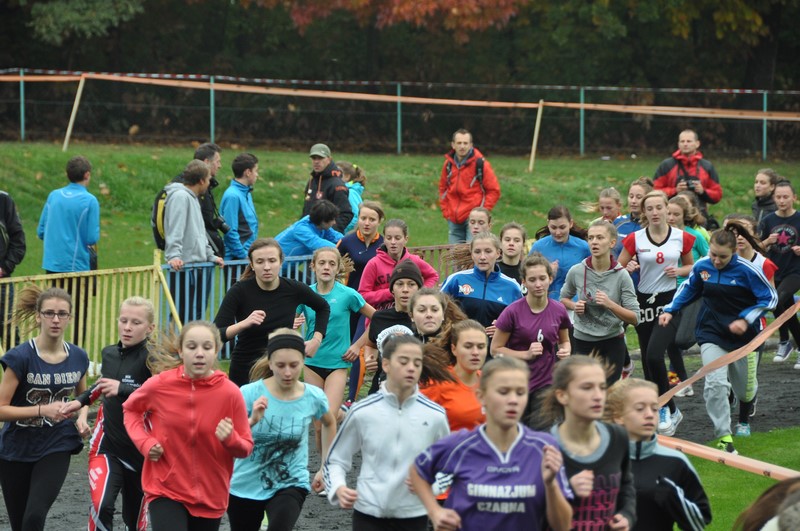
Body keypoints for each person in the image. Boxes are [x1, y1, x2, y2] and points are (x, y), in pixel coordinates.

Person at [410, 356, 574, 531]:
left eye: (520, 392)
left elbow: (563, 526)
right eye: (503, 392)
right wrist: (435, 512)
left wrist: (551, 485)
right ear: (481, 397)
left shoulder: (543, 447)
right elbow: (417, 471)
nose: (513, 400)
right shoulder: (460, 445)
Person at [123, 321, 254, 531]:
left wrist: (231, 439)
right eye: (192, 347)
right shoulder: (160, 385)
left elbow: (245, 448)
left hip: (211, 494)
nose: (199, 354)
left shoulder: (230, 393)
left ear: (216, 351)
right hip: (165, 488)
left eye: (207, 347)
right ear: (181, 351)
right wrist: (144, 442)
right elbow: (130, 410)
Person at [660, 224, 777, 453]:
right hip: (711, 332)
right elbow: (689, 289)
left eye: (722, 257)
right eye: (713, 254)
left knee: (744, 391)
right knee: (714, 384)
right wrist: (670, 310)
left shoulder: (747, 270)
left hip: (744, 337)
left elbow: (770, 298)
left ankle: (742, 399)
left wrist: (745, 319)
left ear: (733, 252)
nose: (716, 260)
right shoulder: (702, 266)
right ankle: (724, 437)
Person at [323, 335, 450, 531]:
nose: (411, 368)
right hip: (368, 513)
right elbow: (336, 459)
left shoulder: (435, 415)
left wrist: (431, 487)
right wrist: (338, 487)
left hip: (414, 515)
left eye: (417, 363)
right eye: (403, 361)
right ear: (386, 365)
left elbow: (448, 465)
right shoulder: (362, 411)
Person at [59, 296, 155, 531]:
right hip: (106, 445)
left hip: (142, 452)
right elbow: (102, 384)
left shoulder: (154, 358)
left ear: (150, 328)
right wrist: (79, 401)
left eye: (136, 322)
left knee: (134, 521)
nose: (127, 327)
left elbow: (163, 398)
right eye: (123, 320)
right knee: (101, 505)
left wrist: (123, 389)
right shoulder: (109, 353)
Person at [227, 328, 337, 531]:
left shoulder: (313, 396)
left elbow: (329, 423)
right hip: (245, 483)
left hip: (291, 482)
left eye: (294, 365)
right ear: (270, 363)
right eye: (280, 365)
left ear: (303, 362)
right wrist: (252, 420)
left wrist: (325, 466)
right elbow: (229, 438)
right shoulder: (248, 394)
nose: (287, 372)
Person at [0, 285, 89, 531]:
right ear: (38, 316)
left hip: (57, 442)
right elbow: (1, 409)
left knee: (34, 517)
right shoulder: (20, 357)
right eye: (49, 313)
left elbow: (84, 397)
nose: (56, 319)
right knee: (20, 524)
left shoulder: (79, 357)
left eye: (62, 314)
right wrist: (42, 410)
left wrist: (82, 418)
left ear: (70, 318)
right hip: (16, 447)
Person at [619, 190, 694, 436]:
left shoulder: (681, 237)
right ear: (644, 212)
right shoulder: (635, 238)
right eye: (649, 208)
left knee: (653, 355)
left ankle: (663, 407)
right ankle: (669, 409)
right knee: (649, 364)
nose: (654, 212)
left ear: (666, 208)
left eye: (658, 207)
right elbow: (618, 268)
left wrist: (680, 271)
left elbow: (691, 266)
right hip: (643, 303)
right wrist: (629, 267)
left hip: (669, 303)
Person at [214, 238, 330, 387]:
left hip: (282, 368)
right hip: (246, 369)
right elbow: (216, 333)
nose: (267, 267)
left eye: (272, 261)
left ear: (281, 262)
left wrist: (316, 340)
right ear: (252, 264)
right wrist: (244, 324)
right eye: (260, 262)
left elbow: (323, 307)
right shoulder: (239, 291)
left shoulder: (293, 288)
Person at [540, 356, 637, 531]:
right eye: (587, 387)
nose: (598, 396)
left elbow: (626, 486)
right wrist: (566, 489)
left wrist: (627, 515)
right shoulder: (543, 447)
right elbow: (528, 511)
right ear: (562, 395)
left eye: (602, 387)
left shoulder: (618, 437)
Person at [604, 378, 712, 531]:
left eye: (654, 408)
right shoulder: (597, 460)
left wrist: (674, 499)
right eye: (640, 408)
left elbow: (700, 521)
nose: (649, 415)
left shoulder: (675, 461)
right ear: (618, 416)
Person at [296, 248, 374, 451]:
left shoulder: (348, 295)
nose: (326, 267)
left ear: (338, 268)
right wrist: (293, 325)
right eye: (322, 263)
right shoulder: (304, 294)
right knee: (318, 424)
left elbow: (376, 319)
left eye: (331, 264)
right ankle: (344, 416)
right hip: (312, 363)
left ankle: (328, 464)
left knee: (327, 417)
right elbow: (288, 324)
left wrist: (357, 345)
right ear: (313, 266)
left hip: (338, 364)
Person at [491, 254, 571, 429]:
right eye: (532, 280)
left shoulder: (558, 310)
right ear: (524, 282)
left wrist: (565, 350)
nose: (538, 284)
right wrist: (525, 354)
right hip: (516, 383)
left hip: (546, 382)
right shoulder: (512, 312)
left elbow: (564, 340)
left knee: (541, 433)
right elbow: (495, 349)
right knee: (516, 432)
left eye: (542, 278)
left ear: (550, 279)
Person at [560, 220, 639, 384]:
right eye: (591, 238)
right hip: (583, 340)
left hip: (612, 340)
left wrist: (610, 304)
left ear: (612, 243)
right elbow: (564, 298)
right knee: (584, 386)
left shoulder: (621, 276)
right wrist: (575, 306)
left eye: (600, 238)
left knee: (608, 390)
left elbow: (635, 318)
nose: (594, 242)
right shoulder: (577, 271)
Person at [37, 155, 100, 343]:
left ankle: (49, 348)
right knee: (77, 312)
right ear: (87, 174)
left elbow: (41, 231)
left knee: (52, 311)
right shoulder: (89, 200)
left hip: (52, 263)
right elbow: (91, 237)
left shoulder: (54, 195)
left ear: (67, 174)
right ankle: (77, 350)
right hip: (76, 265)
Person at [337, 201, 385, 406]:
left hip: (369, 305)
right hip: (347, 303)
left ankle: (351, 399)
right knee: (343, 347)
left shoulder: (384, 245)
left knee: (359, 347)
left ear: (379, 221)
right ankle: (335, 389)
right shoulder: (346, 242)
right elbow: (332, 264)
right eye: (363, 218)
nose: (366, 223)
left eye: (372, 219)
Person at [164, 160, 225, 323]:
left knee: (194, 316)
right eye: (209, 179)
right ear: (201, 180)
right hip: (183, 267)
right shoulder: (180, 197)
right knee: (181, 315)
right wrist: (174, 256)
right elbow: (175, 229)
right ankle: (174, 340)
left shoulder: (193, 198)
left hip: (196, 266)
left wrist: (210, 256)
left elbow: (199, 233)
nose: (210, 183)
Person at [441, 231, 523, 338]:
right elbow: (437, 310)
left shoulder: (512, 287)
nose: (482, 257)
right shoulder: (456, 280)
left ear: (498, 253)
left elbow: (522, 322)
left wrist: (504, 329)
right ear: (471, 254)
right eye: (477, 252)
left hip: (495, 347)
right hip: (460, 345)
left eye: (488, 251)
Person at [363, 260, 423, 394]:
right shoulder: (379, 317)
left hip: (415, 392)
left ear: (419, 289)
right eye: (400, 284)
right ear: (392, 289)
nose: (405, 289)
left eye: (411, 284)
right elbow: (371, 345)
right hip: (381, 390)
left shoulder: (424, 320)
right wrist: (369, 358)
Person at [419, 318, 487, 432]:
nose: (475, 352)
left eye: (481, 347)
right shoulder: (437, 384)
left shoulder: (491, 382)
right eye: (468, 346)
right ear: (454, 349)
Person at [760, 180, 800, 367]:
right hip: (774, 271)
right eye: (778, 197)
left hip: (795, 272)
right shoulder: (768, 221)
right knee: (785, 307)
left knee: (778, 298)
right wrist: (767, 242)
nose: (782, 201)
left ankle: (784, 341)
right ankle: (794, 344)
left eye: (785, 197)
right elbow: (757, 247)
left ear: (794, 198)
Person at [358, 218, 439, 309]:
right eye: (389, 238)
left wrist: (419, 293)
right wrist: (392, 292)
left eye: (397, 238)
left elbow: (433, 276)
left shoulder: (413, 261)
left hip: (409, 312)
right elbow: (363, 295)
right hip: (381, 313)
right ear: (384, 239)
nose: (393, 242)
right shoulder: (374, 264)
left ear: (406, 239)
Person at [438, 128, 501, 244]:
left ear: (471, 145)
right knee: (455, 253)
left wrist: (482, 213)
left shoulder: (481, 164)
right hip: (453, 219)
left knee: (473, 251)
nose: (462, 146)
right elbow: (443, 188)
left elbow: (494, 190)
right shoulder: (448, 165)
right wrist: (446, 211)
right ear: (453, 145)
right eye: (459, 143)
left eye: (465, 143)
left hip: (474, 219)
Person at [653, 129, 722, 223]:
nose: (685, 144)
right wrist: (675, 190)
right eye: (682, 141)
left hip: (700, 216)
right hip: (670, 216)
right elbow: (655, 191)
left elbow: (717, 194)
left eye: (689, 141)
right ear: (678, 144)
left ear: (697, 144)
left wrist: (703, 191)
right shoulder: (667, 165)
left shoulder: (707, 166)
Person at [530, 206, 590, 301]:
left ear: (570, 224)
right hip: (546, 302)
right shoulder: (538, 247)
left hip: (575, 303)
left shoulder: (583, 247)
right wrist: (547, 272)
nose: (558, 232)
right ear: (548, 224)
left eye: (562, 227)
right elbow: (527, 276)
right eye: (553, 227)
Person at [302, 143, 353, 233]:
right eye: (314, 158)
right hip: (308, 233)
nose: (316, 161)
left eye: (320, 158)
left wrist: (328, 232)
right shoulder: (312, 181)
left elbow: (346, 214)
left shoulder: (336, 185)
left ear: (329, 159)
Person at [220, 153, 260, 262]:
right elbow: (229, 230)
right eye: (256, 171)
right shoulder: (232, 196)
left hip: (246, 255)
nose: (257, 175)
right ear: (248, 172)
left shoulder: (246, 192)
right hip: (236, 259)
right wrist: (243, 255)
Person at [0, 190, 26, 348]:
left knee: (7, 330)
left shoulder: (3, 200)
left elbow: (18, 242)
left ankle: (13, 364)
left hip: (2, 282)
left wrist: (4, 268)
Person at [275, 200, 343, 258]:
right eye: (332, 220)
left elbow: (336, 236)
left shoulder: (321, 226)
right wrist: (343, 249)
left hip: (288, 266)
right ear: (323, 221)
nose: (334, 222)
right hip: (274, 265)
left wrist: (348, 242)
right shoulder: (301, 229)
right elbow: (316, 243)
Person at [338, 161, 366, 234]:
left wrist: (340, 228)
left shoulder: (350, 193)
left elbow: (356, 216)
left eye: (338, 173)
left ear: (347, 176)